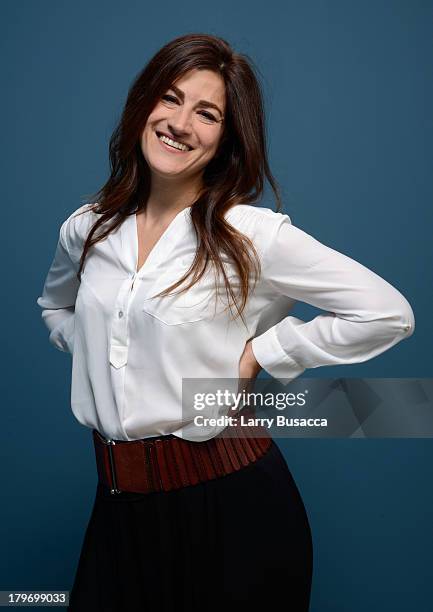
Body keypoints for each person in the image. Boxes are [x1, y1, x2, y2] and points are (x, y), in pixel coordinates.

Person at [36, 33, 415, 612]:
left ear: (225, 139)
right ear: (143, 105)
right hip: (115, 506)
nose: (181, 123)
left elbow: (387, 313)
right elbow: (55, 308)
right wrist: (93, 348)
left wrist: (267, 353)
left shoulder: (250, 235)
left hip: (233, 511)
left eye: (206, 114)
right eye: (170, 98)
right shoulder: (86, 228)